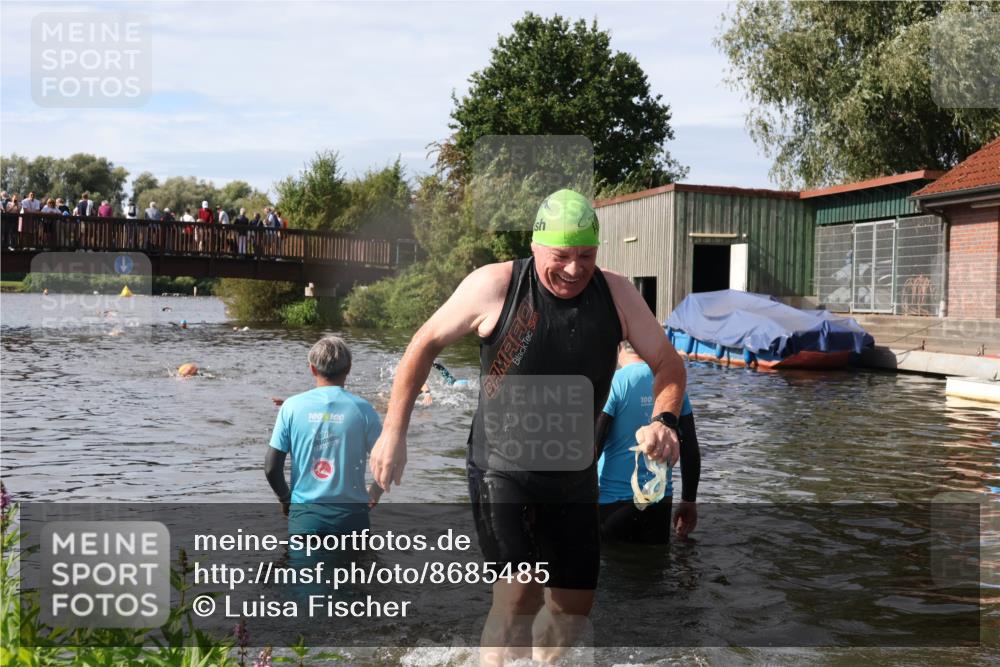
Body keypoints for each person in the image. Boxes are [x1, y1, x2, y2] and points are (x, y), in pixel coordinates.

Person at [369, 189, 686, 664]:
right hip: (503, 466)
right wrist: (393, 432)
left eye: (586, 255)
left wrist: (664, 421)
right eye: (562, 256)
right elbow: (424, 344)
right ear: (536, 246)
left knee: (573, 606)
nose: (575, 270)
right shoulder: (495, 285)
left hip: (575, 474)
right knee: (520, 593)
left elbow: (667, 364)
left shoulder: (617, 293)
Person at [265, 336, 384, 536]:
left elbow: (271, 467)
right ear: (348, 368)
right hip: (352, 519)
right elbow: (388, 462)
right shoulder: (364, 410)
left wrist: (286, 499)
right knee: (357, 567)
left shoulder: (291, 407)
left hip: (305, 518)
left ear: (312, 369)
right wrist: (375, 492)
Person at [596, 341, 700, 544]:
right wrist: (689, 501)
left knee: (613, 569)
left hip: (614, 506)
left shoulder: (615, 382)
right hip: (659, 507)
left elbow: (592, 447)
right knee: (655, 571)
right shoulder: (674, 389)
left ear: (618, 347)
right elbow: (690, 449)